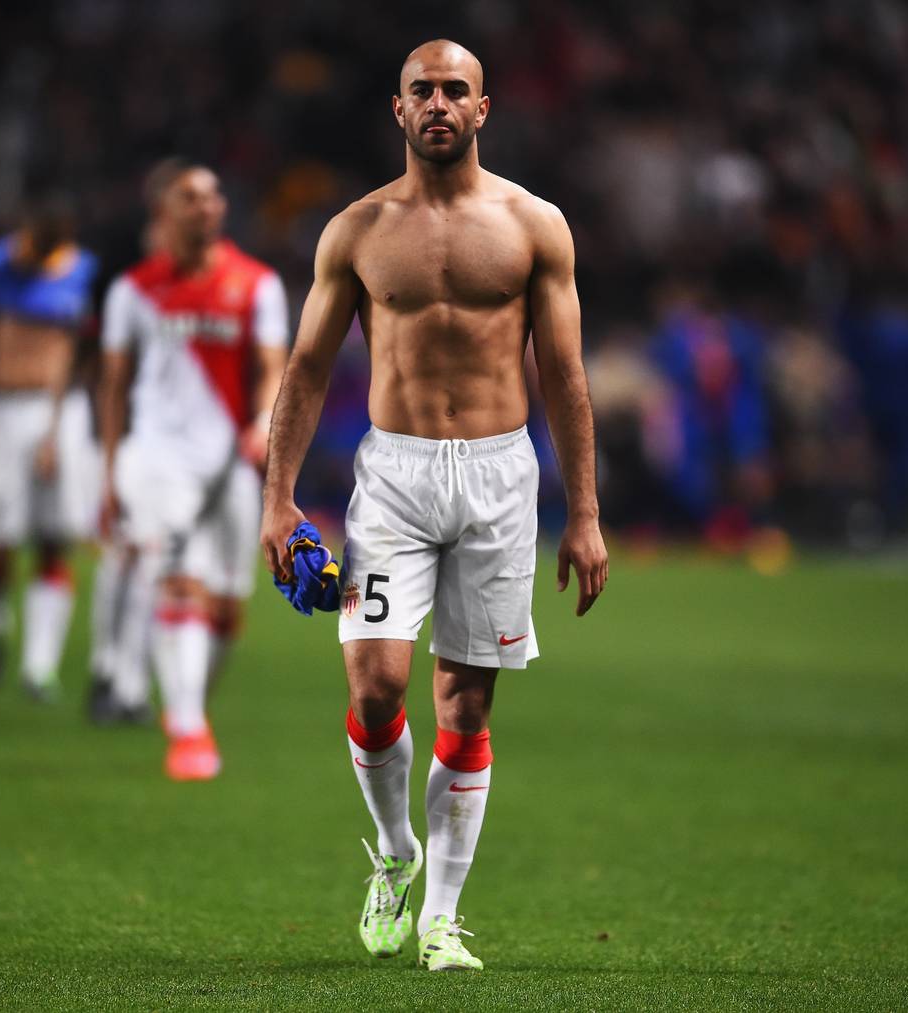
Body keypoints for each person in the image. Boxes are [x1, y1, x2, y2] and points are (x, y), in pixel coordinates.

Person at [259, 40, 607, 972]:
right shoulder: (358, 230)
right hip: (395, 481)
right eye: (425, 90)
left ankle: (442, 919)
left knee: (464, 703)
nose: (441, 103)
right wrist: (277, 498)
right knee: (374, 688)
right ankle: (396, 852)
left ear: (484, 108)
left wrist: (584, 513)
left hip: (500, 478)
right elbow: (304, 369)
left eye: (457, 90)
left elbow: (565, 376)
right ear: (398, 108)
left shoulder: (535, 226)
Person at [99, 163, 288, 778]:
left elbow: (273, 365)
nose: (206, 206)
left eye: (214, 194)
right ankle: (187, 729)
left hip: (232, 457)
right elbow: (114, 386)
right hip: (157, 456)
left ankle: (187, 702)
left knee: (228, 605)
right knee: (178, 578)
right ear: (164, 213)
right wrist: (109, 471)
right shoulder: (133, 291)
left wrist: (265, 418)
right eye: (190, 197)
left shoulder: (256, 284)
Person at [0, 195, 98, 698]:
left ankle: (40, 668)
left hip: (59, 413)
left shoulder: (81, 271)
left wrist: (57, 431)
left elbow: (74, 357)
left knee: (55, 540)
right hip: (0, 413)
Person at [86, 158, 187, 724]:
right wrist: (108, 458)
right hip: (132, 435)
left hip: (168, 444)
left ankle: (122, 677)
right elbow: (112, 372)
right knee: (128, 557)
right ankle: (113, 671)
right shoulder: (137, 275)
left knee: (146, 559)